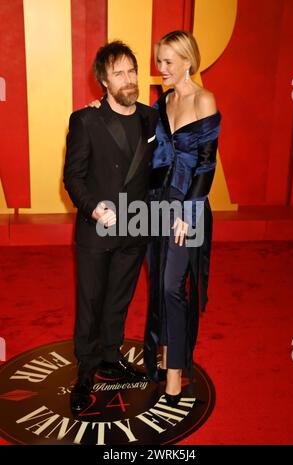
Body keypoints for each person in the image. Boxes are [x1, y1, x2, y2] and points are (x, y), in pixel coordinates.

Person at [63, 41, 158, 411]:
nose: (129, 78)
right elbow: (73, 178)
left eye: (132, 70)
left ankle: (109, 357)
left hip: (135, 229)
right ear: (103, 81)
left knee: (118, 300)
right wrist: (94, 210)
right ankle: (85, 373)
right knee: (90, 302)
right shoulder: (85, 119)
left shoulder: (151, 118)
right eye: (119, 73)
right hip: (98, 229)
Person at [143, 30, 221, 406]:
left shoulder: (204, 99)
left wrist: (189, 213)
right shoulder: (164, 101)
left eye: (168, 62)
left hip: (188, 206)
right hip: (157, 202)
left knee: (174, 285)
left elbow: (207, 164)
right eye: (159, 62)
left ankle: (175, 369)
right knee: (158, 282)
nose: (161, 69)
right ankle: (164, 350)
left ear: (188, 61)